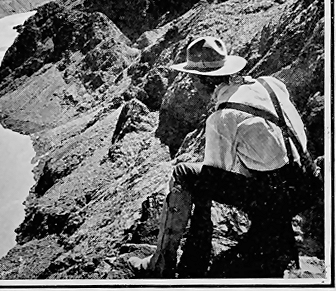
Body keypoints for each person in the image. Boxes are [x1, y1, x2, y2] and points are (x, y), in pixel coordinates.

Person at [128, 35, 310, 279]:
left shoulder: (223, 117)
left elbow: (216, 174)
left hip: (275, 198)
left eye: (192, 78)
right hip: (305, 180)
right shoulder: (270, 83)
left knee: (185, 174)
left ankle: (163, 263)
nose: (191, 83)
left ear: (202, 81)